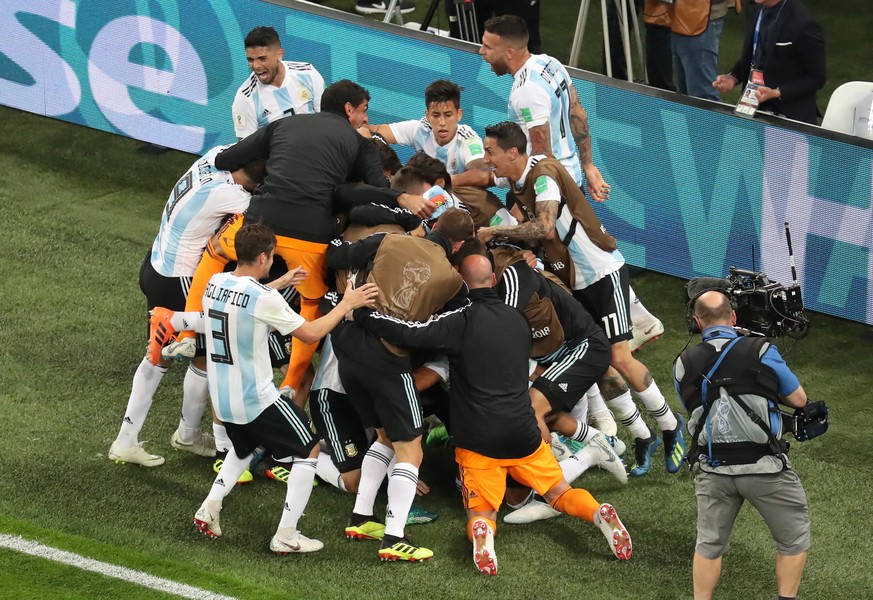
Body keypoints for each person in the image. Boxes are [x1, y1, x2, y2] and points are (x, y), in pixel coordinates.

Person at [353, 253, 633, 575]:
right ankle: (597, 512)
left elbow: (409, 333)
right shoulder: (517, 321)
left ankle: (484, 535)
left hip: (478, 439)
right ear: (495, 281)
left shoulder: (459, 321)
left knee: (481, 512)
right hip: (522, 432)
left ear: (461, 280)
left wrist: (362, 314)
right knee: (559, 493)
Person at [160, 80, 436, 403]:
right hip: (310, 236)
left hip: (260, 222)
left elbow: (228, 159)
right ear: (349, 109)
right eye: (364, 111)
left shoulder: (283, 123)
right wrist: (405, 207)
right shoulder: (361, 144)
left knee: (215, 253)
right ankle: (290, 384)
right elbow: (375, 193)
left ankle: (189, 334)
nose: (366, 120)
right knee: (310, 303)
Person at [477, 121, 686, 477]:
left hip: (602, 273)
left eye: (491, 152)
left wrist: (495, 231)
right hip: (575, 280)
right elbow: (493, 192)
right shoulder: (516, 179)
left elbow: (544, 226)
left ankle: (670, 425)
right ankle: (641, 434)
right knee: (599, 360)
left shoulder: (543, 176)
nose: (487, 159)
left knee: (620, 355)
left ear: (513, 152)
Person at [157, 222, 379, 554]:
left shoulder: (216, 283)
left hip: (225, 399)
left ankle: (210, 507)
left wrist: (278, 284)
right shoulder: (263, 298)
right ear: (264, 256)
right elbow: (310, 333)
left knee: (242, 449)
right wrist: (346, 304)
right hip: (256, 399)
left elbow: (242, 300)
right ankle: (286, 535)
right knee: (308, 451)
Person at [479, 15, 665, 352]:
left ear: (508, 51)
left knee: (570, 251)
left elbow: (540, 152)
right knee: (587, 243)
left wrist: (531, 194)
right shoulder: (549, 63)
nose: (481, 52)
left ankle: (609, 326)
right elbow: (578, 112)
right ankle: (637, 316)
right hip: (568, 174)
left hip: (552, 183)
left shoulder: (526, 93)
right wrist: (589, 164)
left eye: (487, 47)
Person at [327, 208, 474, 563]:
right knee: (411, 448)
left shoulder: (389, 241)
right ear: (459, 244)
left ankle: (362, 517)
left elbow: (337, 255)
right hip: (387, 359)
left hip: (345, 344)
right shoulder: (454, 282)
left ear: (433, 227)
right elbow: (458, 323)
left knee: (384, 436)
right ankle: (394, 537)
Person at [107, 146, 263, 468]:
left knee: (157, 355)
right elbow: (267, 210)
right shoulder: (233, 197)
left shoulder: (213, 156)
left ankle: (129, 438)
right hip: (179, 280)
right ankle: (185, 436)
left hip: (155, 265)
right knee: (202, 358)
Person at [674, 290, 811, 600]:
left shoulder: (682, 363)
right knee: (793, 541)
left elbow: (692, 404)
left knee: (708, 545)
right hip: (765, 468)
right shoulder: (762, 350)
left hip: (713, 470)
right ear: (733, 317)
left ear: (697, 322)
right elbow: (799, 400)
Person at [713, 0, 826, 124]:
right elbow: (757, 54)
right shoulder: (755, 9)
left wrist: (777, 92)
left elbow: (816, 77)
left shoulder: (803, 23)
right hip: (758, 111)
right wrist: (734, 77)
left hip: (789, 118)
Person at [363, 79, 491, 188]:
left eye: (448, 115)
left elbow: (483, 175)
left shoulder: (467, 138)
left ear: (459, 115)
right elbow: (378, 130)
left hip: (456, 199)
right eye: (436, 115)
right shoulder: (421, 129)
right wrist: (364, 134)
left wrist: (441, 183)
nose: (442, 122)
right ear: (427, 115)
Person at [231, 26, 324, 140]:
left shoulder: (308, 73)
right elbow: (246, 149)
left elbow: (328, 120)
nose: (256, 66)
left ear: (279, 54)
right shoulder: (245, 98)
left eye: (262, 58)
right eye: (250, 60)